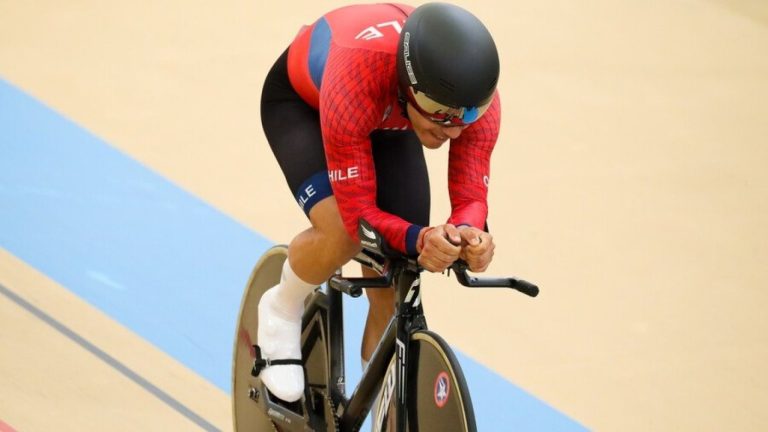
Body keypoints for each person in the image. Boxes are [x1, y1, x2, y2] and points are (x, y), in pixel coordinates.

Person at [257, 2, 500, 403]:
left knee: (398, 275)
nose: (455, 131)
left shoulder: (467, 100)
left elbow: (472, 198)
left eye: (467, 117)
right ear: (411, 88)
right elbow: (359, 219)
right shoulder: (359, 77)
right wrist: (421, 238)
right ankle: (282, 307)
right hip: (309, 106)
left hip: (390, 118)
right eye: (442, 115)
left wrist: (470, 235)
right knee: (343, 235)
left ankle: (380, 407)